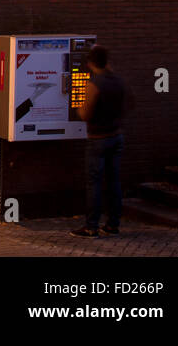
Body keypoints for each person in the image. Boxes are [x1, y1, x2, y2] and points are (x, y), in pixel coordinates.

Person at [71, 45, 127, 238]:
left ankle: (91, 226)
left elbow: (85, 113)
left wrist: (78, 109)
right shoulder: (118, 81)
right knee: (114, 181)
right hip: (117, 136)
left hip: (98, 139)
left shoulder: (94, 84)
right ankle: (113, 224)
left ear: (90, 63)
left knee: (94, 182)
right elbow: (130, 103)